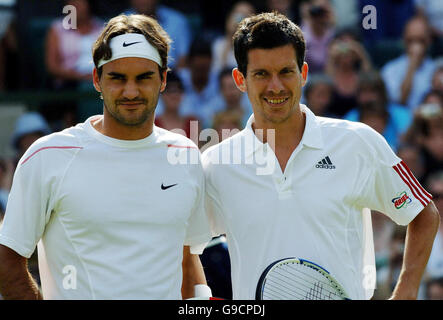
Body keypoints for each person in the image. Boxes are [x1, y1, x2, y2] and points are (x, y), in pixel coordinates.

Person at [202, 12, 440, 300]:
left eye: (285, 72)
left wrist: (406, 291)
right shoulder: (215, 164)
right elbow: (184, 243)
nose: (275, 86)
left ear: (303, 74)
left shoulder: (357, 141)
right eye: (261, 74)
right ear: (240, 79)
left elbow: (423, 213)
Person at [0, 14, 212, 300]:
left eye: (144, 77)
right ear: (97, 80)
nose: (131, 91)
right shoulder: (46, 156)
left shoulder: (186, 155)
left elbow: (187, 261)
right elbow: (7, 260)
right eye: (117, 78)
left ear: (163, 79)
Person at [381, 16, 436, 111]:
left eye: (420, 41)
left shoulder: (436, 69)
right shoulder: (390, 69)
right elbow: (400, 102)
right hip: (401, 122)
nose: (416, 46)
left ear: (429, 40)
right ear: (403, 40)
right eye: (410, 41)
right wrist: (412, 65)